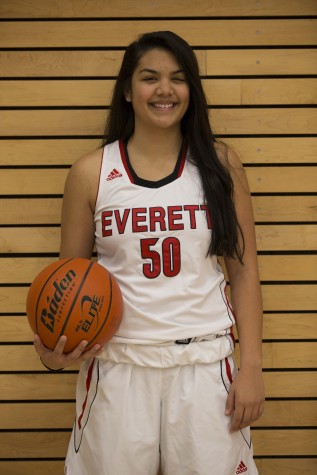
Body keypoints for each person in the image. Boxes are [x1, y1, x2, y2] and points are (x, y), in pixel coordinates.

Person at [34, 31, 265, 475]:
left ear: (191, 91)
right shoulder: (91, 172)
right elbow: (64, 284)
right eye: (149, 77)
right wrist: (51, 349)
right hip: (118, 364)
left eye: (178, 78)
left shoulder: (220, 165)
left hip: (204, 365)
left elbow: (244, 272)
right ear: (127, 90)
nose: (164, 90)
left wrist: (251, 367)